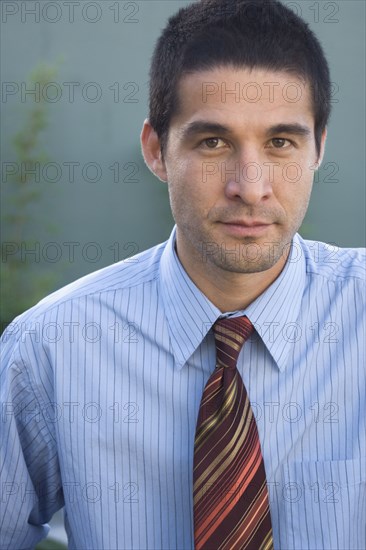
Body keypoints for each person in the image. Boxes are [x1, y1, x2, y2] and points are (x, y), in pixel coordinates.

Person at [1, 0, 365, 549]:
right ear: (156, 150)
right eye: (213, 142)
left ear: (318, 149)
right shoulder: (50, 348)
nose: (250, 185)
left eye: (281, 142)